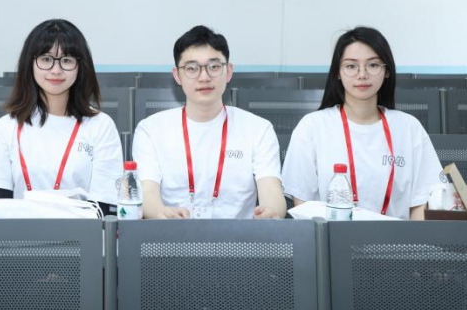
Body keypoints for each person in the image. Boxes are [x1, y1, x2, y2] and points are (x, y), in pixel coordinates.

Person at [282, 26, 442, 220]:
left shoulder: (409, 127)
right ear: (338, 72)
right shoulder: (312, 127)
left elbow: (421, 204)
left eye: (373, 65)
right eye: (351, 66)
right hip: (334, 237)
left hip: (397, 238)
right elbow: (304, 207)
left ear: (387, 71)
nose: (362, 74)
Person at [0, 19, 123, 214]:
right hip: (18, 232)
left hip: (83, 232)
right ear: (30, 63)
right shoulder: (5, 128)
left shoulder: (101, 125)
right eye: (46, 59)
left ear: (80, 66)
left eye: (67, 60)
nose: (56, 70)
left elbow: (103, 209)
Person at [132, 25, 286, 219]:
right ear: (177, 75)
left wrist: (272, 212)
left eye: (214, 67)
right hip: (173, 233)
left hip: (239, 236)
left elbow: (271, 188)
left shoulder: (258, 129)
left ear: (228, 72)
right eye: (192, 68)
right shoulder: (150, 130)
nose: (204, 77)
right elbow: (147, 191)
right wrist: (160, 213)